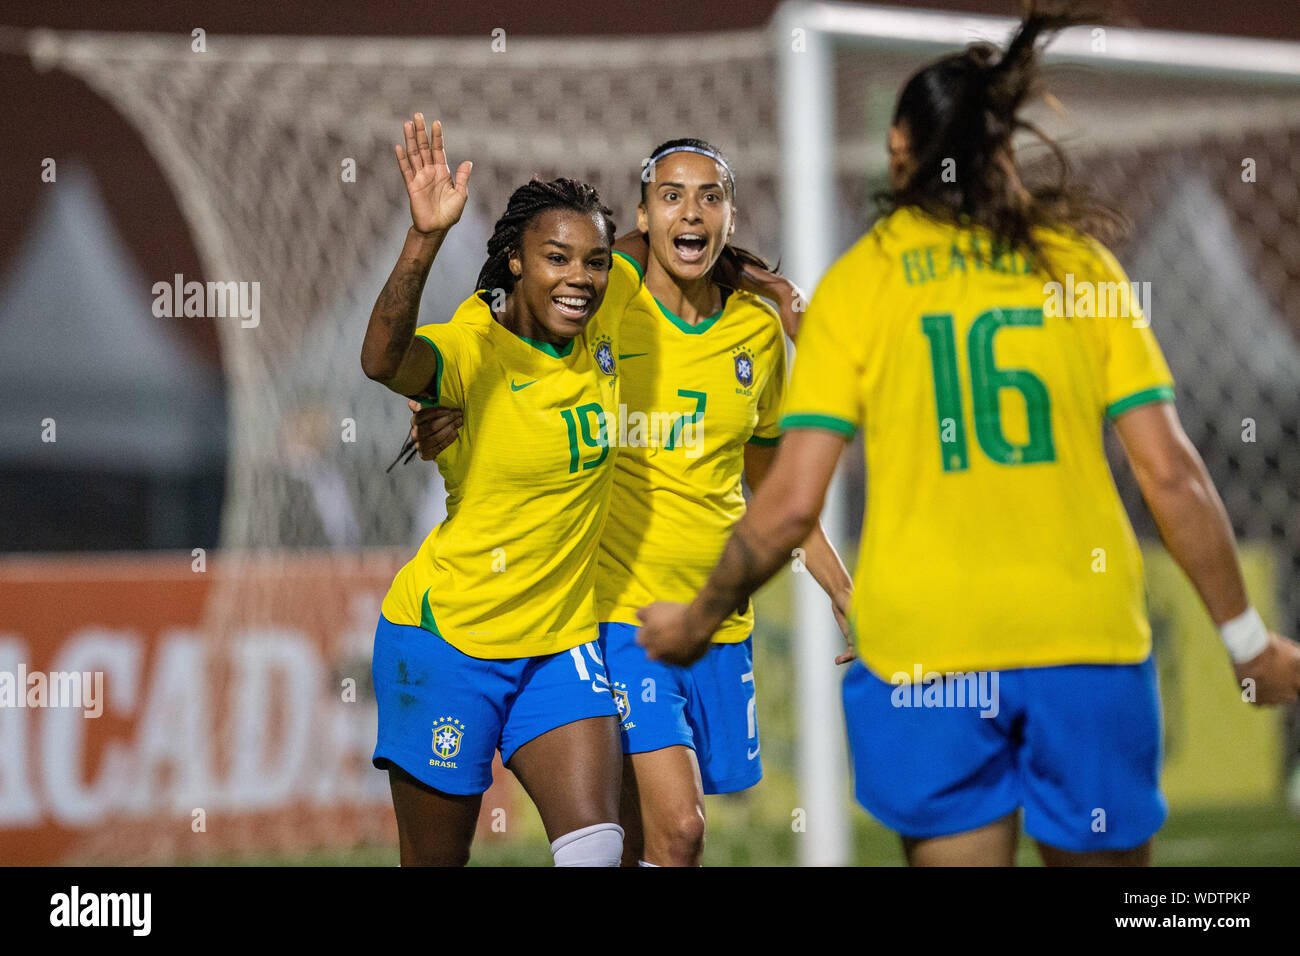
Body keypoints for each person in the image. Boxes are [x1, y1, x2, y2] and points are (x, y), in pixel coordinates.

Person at [635, 7, 1300, 867]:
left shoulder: (860, 285)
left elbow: (790, 502)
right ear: (1003, 152)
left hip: (926, 657)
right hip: (1081, 642)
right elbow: (1171, 474)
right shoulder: (1078, 267)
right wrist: (1247, 642)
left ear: (899, 151)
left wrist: (698, 618)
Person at [407, 139, 854, 866]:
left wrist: (841, 588)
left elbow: (774, 486)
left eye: (710, 197)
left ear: (731, 216)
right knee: (680, 828)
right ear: (642, 218)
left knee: (650, 842)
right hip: (619, 617)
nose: (691, 212)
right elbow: (506, 326)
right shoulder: (605, 300)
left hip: (719, 618)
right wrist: (448, 401)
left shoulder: (756, 332)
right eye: (671, 196)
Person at [362, 114, 640, 866]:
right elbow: (382, 360)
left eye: (595, 261)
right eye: (556, 258)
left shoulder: (607, 303)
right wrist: (424, 238)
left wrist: (768, 285)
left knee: (597, 849)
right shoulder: (472, 349)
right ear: (515, 261)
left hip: (560, 643)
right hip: (450, 642)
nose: (580, 277)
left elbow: (665, 240)